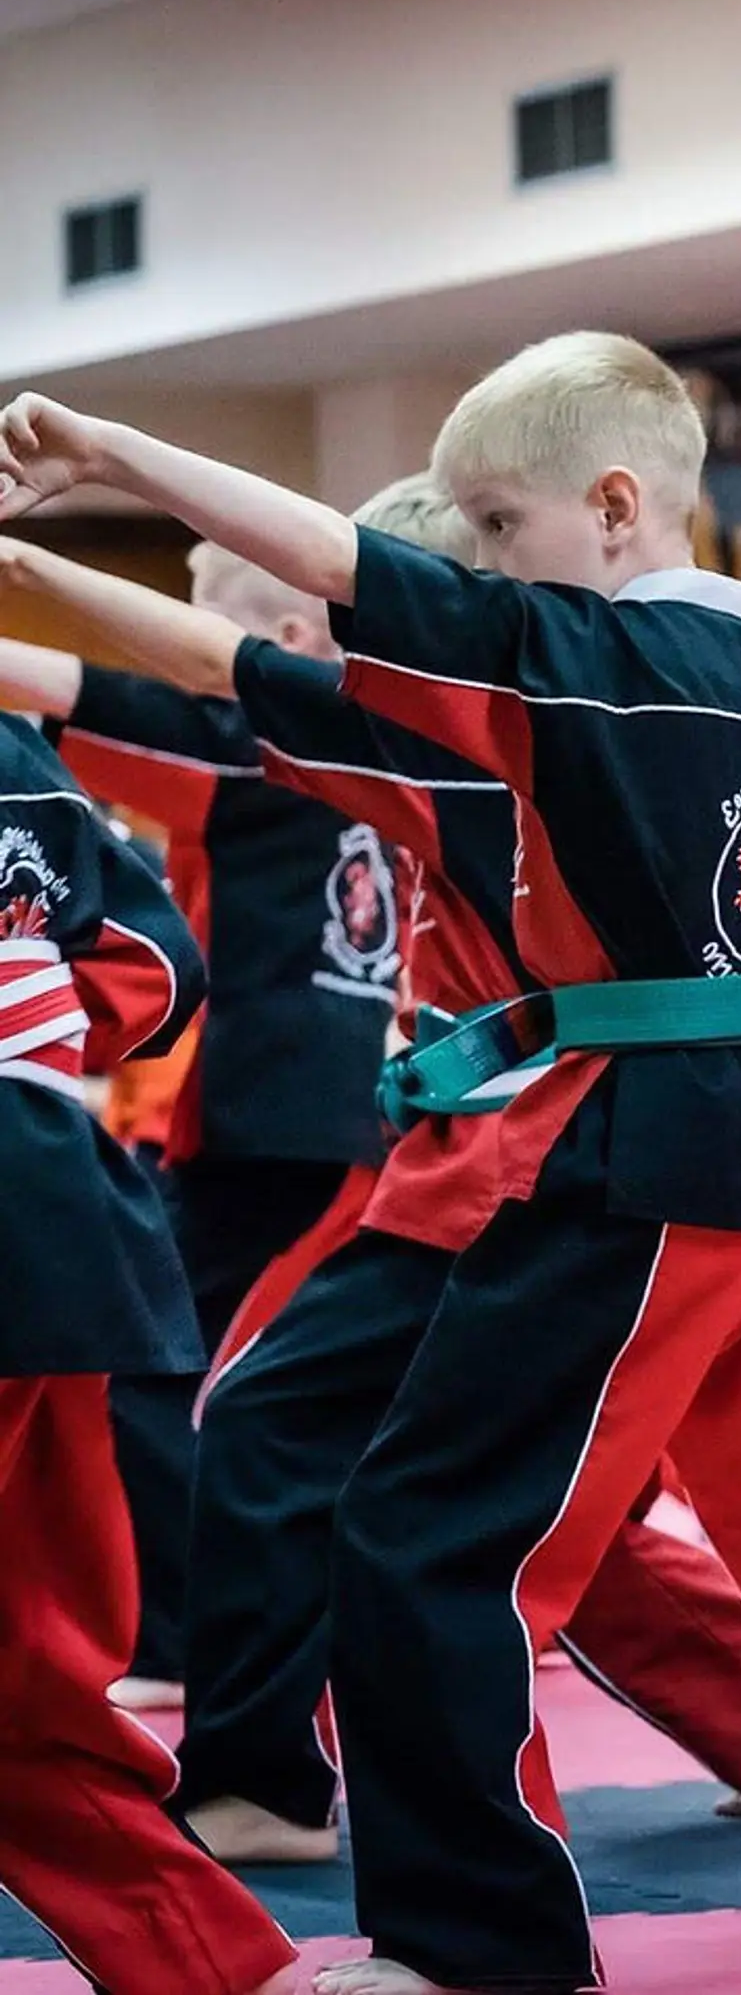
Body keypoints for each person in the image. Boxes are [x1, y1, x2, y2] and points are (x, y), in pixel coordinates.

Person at [0, 332, 741, 1995]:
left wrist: (127, 454)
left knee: (433, 1538)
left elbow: (309, 584)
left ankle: (476, 1940)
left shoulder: (564, 662)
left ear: (611, 509)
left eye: (494, 529)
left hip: (637, 1158)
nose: (478, 565)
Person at [0, 476, 741, 1870]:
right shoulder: (433, 737)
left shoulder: (349, 740)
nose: (199, 641)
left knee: (287, 1423)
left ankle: (252, 1738)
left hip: (393, 1142)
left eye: (221, 612)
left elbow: (103, 684)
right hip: (455, 1136)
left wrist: (59, 519)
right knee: (488, 1462)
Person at [0, 552, 398, 1707]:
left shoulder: (259, 742)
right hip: (304, 1109)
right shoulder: (360, 743)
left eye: (193, 594)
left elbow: (76, 694)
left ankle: (182, 1641)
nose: (167, 619)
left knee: (168, 1374)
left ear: (280, 626)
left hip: (281, 1116)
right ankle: (190, 1638)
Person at [0, 704, 298, 1995]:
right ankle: (205, 1953)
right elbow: (157, 969)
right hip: (60, 1222)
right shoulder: (14, 747)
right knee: (32, 1659)